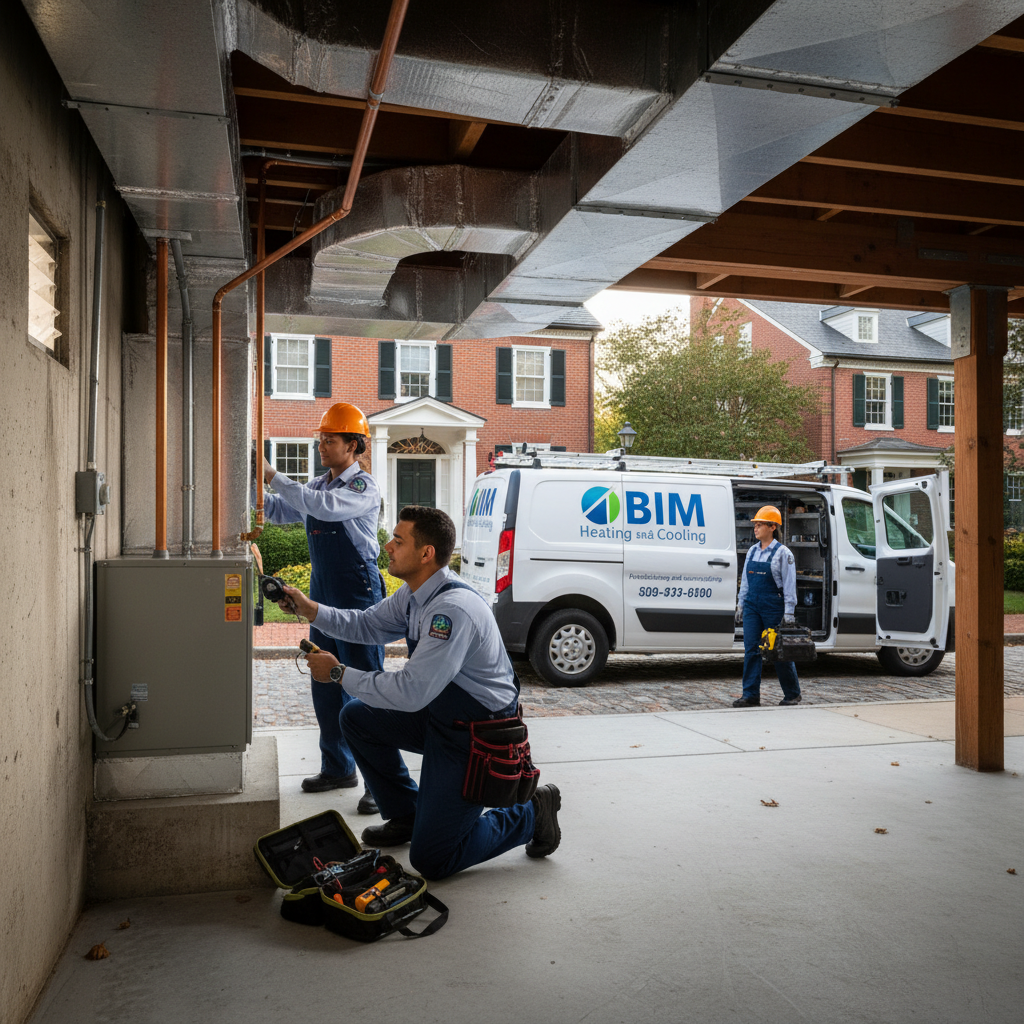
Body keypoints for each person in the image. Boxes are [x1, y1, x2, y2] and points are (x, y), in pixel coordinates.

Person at [276, 505, 562, 881]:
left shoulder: (451, 610)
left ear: (426, 553)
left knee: (433, 859)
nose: (388, 546)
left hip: (475, 736)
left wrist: (338, 673)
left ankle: (530, 813)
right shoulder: (414, 595)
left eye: (398, 540)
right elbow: (367, 624)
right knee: (357, 717)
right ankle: (408, 814)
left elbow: (411, 692)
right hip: (441, 717)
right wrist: (311, 610)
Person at [261, 401, 383, 812]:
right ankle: (338, 767)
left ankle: (377, 779)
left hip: (357, 590)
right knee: (324, 679)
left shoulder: (362, 487)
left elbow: (323, 509)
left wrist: (272, 473)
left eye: (330, 440)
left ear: (354, 446)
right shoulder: (319, 485)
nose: (322, 446)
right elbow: (279, 510)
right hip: (323, 591)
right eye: (321, 440)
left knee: (364, 685)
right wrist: (250, 483)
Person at [732, 505, 802, 708]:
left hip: (773, 606)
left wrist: (789, 612)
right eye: (755, 524)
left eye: (760, 524)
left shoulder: (783, 554)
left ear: (772, 527)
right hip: (753, 605)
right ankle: (750, 695)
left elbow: (789, 585)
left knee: (777, 650)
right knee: (751, 650)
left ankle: (792, 694)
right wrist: (741, 604)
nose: (755, 528)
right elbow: (745, 581)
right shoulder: (752, 551)